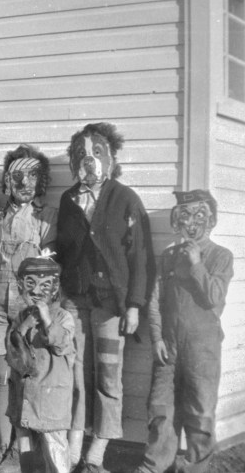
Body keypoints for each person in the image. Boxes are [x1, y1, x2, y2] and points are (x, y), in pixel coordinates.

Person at [56, 122, 154, 472]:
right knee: (76, 374)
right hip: (75, 301)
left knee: (108, 375)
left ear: (110, 158)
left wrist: (134, 305)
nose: (89, 160)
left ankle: (97, 451)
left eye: (96, 153)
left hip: (112, 306)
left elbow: (141, 256)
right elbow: (63, 249)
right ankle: (73, 446)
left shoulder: (125, 198)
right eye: (82, 154)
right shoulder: (68, 200)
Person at [132, 190, 233, 473]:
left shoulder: (222, 256)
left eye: (198, 215)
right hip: (169, 345)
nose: (191, 223)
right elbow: (155, 300)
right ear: (176, 220)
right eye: (184, 215)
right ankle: (155, 465)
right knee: (160, 407)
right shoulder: (169, 256)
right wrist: (156, 338)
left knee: (201, 411)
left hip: (203, 348)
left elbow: (214, 296)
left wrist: (197, 263)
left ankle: (195, 467)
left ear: (210, 219)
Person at [0, 144, 58, 471]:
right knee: (2, 378)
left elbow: (50, 272)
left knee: (25, 378)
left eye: (31, 176)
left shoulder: (45, 217)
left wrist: (42, 312)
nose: (23, 183)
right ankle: (3, 445)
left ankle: (24, 452)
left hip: (27, 310)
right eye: (17, 176)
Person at [4, 256, 75, 473]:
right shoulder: (21, 317)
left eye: (44, 285)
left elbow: (62, 345)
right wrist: (23, 327)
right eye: (30, 283)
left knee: (55, 449)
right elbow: (11, 351)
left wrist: (47, 320)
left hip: (51, 399)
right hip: (25, 396)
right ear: (20, 286)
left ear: (55, 288)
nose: (36, 290)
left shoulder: (64, 317)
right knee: (26, 448)